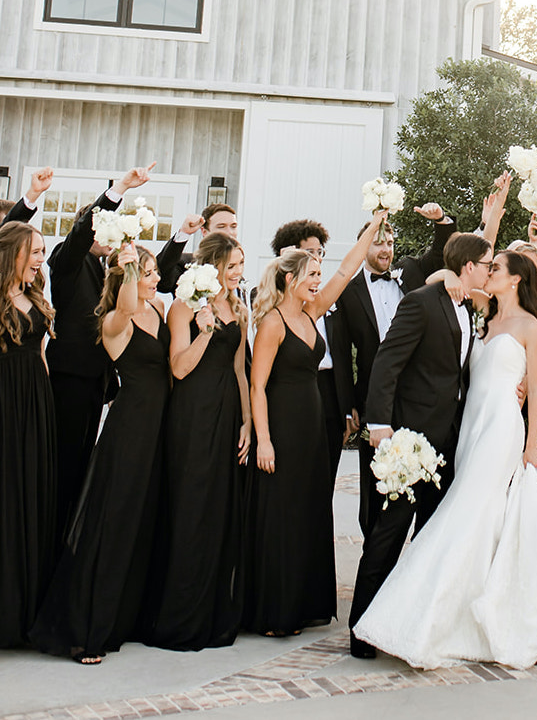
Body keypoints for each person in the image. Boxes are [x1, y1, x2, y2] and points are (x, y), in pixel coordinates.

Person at [353, 248, 537, 668]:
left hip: (502, 430)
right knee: (458, 518)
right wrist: (440, 272)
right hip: (464, 431)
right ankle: (418, 614)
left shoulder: (533, 328)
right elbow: (441, 280)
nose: (489, 272)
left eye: (497, 269)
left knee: (466, 515)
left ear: (515, 280)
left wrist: (533, 444)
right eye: (485, 266)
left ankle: (431, 618)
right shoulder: (482, 318)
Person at [348, 231, 491, 657]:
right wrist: (379, 425)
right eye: (486, 264)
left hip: (449, 441)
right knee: (388, 535)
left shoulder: (471, 307)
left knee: (431, 538)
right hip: (410, 439)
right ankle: (361, 631)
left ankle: (410, 627)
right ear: (469, 266)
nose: (489, 270)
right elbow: (387, 362)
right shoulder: (422, 302)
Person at [245, 214, 388, 637]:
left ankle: (306, 603)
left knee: (310, 509)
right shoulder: (272, 322)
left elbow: (346, 271)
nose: (317, 279)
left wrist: (370, 229)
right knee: (282, 514)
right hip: (282, 426)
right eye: (311, 274)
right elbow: (257, 385)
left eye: (318, 274)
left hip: (311, 424)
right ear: (290, 279)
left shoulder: (313, 312)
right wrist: (264, 441)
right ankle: (276, 609)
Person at [31, 243, 171, 663]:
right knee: (113, 523)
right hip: (128, 431)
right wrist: (127, 269)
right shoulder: (114, 320)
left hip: (160, 430)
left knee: (143, 523)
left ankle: (125, 619)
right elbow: (126, 306)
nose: (156, 279)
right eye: (149, 273)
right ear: (128, 278)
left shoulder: (160, 312)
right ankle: (86, 628)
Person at [39, 163, 187, 536]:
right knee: (64, 470)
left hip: (96, 385)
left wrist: (180, 238)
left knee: (83, 471)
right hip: (68, 382)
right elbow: (79, 240)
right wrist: (120, 188)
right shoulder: (69, 260)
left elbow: (149, 276)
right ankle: (55, 546)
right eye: (105, 228)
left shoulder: (110, 270)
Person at [147, 233, 251, 650]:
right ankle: (179, 616)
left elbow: (240, 369)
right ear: (211, 267)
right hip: (192, 414)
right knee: (190, 506)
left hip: (228, 412)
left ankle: (213, 612)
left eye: (241, 265)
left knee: (219, 510)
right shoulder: (182, 307)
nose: (238, 273)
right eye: (232, 266)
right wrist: (205, 331)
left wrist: (246, 422)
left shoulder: (239, 307)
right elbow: (178, 368)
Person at [335, 202, 456, 534]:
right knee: (378, 485)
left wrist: (442, 221)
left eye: (389, 242)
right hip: (376, 400)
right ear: (364, 246)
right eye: (378, 241)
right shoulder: (348, 291)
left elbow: (440, 254)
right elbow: (343, 354)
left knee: (427, 483)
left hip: (419, 398)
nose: (386, 248)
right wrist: (348, 407)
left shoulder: (411, 271)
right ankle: (374, 551)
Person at [0, 221, 56, 648]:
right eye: (34, 252)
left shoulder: (36, 297)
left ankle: (25, 614)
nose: (40, 260)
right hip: (4, 400)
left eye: (41, 252)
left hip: (35, 403)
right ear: (12, 254)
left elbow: (41, 355)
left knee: (30, 494)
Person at [268, 218, 354, 493]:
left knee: (322, 475)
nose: (317, 259)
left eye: (320, 253)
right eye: (310, 253)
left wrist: (347, 405)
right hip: (284, 397)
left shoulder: (318, 300)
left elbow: (345, 270)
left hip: (325, 393)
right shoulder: (270, 304)